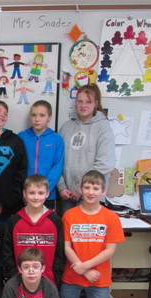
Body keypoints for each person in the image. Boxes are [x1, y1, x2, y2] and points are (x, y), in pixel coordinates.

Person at [60, 170, 124, 298]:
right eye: (87, 188)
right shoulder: (69, 215)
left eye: (95, 188)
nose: (91, 192)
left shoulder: (111, 218)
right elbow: (67, 247)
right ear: (81, 189)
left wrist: (86, 267)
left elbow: (110, 251)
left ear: (103, 191)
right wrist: (83, 270)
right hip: (73, 274)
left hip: (98, 276)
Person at [57, 84, 115, 214]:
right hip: (67, 194)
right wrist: (61, 186)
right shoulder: (66, 127)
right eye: (80, 101)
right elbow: (56, 159)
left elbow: (105, 164)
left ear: (96, 103)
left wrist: (81, 188)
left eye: (88, 102)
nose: (83, 105)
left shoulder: (103, 128)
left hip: (90, 194)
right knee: (66, 226)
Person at [2, 174, 65, 286]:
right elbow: (7, 251)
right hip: (19, 281)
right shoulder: (14, 221)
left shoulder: (55, 221)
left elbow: (60, 253)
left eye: (40, 193)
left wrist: (54, 276)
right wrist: (13, 275)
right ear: (24, 193)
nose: (36, 197)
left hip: (48, 281)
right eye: (31, 193)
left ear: (47, 194)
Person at [18, 100, 65, 210]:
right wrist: (25, 189)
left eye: (42, 115)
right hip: (26, 194)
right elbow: (17, 166)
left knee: (45, 220)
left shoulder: (56, 139)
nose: (37, 119)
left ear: (49, 117)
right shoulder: (21, 137)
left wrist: (44, 190)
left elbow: (57, 167)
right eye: (34, 115)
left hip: (47, 195)